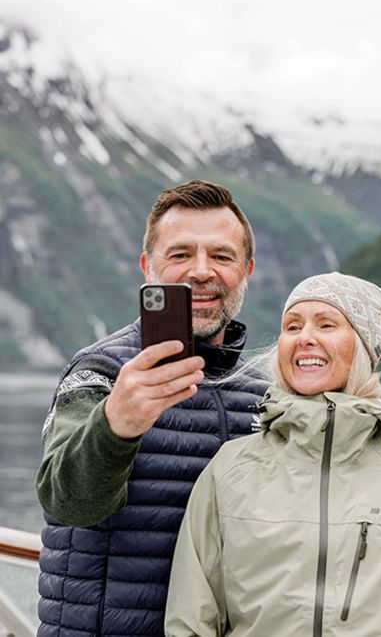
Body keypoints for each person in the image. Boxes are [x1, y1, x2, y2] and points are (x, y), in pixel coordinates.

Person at [165, 272, 381, 637]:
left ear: (363, 347)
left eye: (326, 324)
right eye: (292, 326)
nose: (305, 339)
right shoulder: (230, 468)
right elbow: (191, 619)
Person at [35, 180, 269, 637]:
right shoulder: (100, 370)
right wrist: (115, 424)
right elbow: (67, 501)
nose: (201, 272)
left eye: (221, 256)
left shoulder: (262, 391)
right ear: (148, 266)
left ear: (246, 270)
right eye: (180, 254)